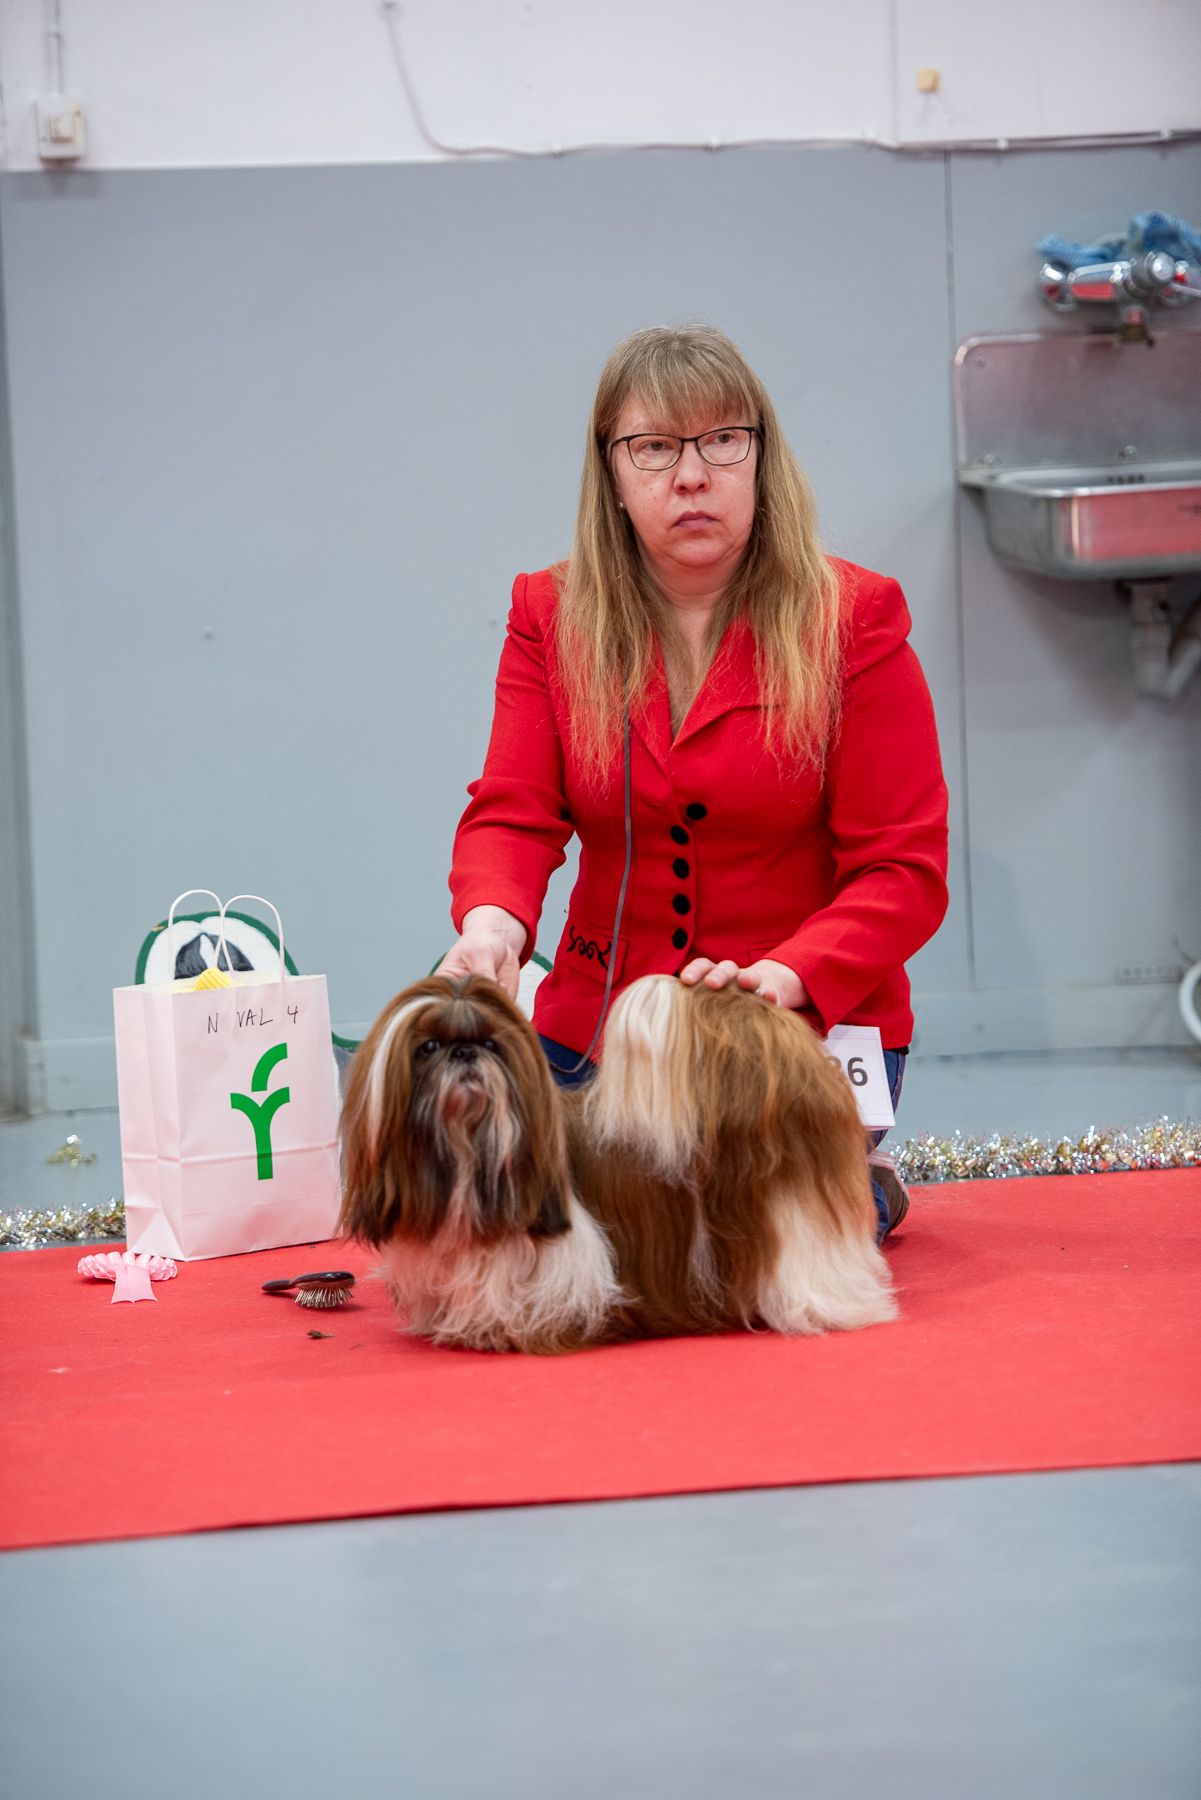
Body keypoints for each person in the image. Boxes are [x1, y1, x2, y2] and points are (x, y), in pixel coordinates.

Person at [440, 325, 948, 1237]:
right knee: (551, 1234)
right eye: (654, 448)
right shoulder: (548, 615)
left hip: (797, 1026)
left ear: (761, 456)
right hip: (597, 1028)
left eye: (722, 441)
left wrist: (783, 978)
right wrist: (491, 928)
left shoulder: (856, 619)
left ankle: (854, 1175)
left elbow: (902, 870)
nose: (690, 475)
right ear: (611, 472)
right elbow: (514, 814)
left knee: (737, 1245)